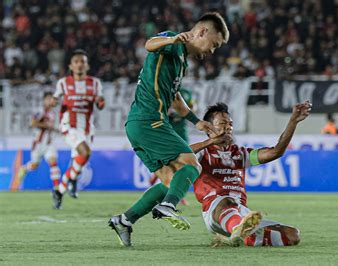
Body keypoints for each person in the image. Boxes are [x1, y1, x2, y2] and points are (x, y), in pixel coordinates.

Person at [108, 12, 229, 247]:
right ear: (202, 32)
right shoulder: (174, 42)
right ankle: (168, 206)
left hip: (140, 124)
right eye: (213, 44)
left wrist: (197, 122)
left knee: (170, 181)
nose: (212, 51)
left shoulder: (181, 61)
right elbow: (149, 44)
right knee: (192, 163)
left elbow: (175, 98)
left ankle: (124, 220)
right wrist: (172, 40)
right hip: (149, 120)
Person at [191, 101, 311, 246]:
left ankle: (240, 236)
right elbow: (178, 155)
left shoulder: (241, 154)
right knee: (227, 201)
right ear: (209, 128)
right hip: (215, 209)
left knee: (292, 235)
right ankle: (238, 230)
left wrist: (293, 121)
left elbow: (276, 152)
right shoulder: (202, 153)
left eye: (230, 123)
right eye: (222, 123)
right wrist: (210, 142)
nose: (228, 127)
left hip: (242, 212)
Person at [52, 49, 105, 209]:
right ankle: (71, 180)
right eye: (76, 62)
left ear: (87, 65)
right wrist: (52, 102)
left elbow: (100, 104)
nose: (80, 64)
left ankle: (60, 190)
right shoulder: (63, 83)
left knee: (80, 159)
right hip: (70, 125)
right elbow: (55, 99)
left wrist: (100, 102)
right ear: (71, 66)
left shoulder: (95, 83)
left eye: (83, 61)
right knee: (85, 152)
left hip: (88, 128)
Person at [149, 87, 194, 205]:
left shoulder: (186, 93)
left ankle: (173, 191)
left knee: (182, 164)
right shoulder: (163, 91)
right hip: (167, 132)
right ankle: (177, 194)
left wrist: (184, 110)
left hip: (181, 133)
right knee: (171, 164)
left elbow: (192, 107)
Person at [15, 92, 61, 199]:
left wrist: (55, 130)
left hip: (49, 144)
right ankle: (24, 168)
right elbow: (33, 123)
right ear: (44, 100)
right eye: (49, 99)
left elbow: (49, 127)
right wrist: (47, 126)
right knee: (35, 166)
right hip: (38, 144)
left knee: (53, 162)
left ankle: (57, 189)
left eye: (52, 99)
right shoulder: (40, 111)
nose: (51, 101)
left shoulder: (52, 113)